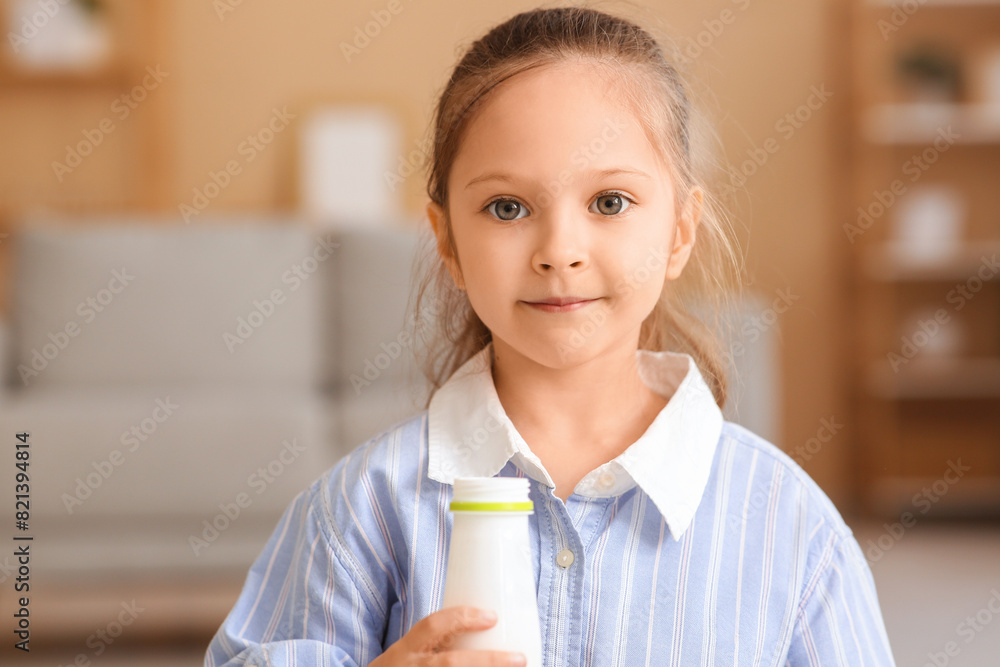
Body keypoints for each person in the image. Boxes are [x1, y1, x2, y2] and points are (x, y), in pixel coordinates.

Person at [205, 6, 897, 666]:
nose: (558, 250)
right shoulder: (362, 507)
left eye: (610, 202)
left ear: (680, 231)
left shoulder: (790, 525)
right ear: (447, 239)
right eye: (507, 207)